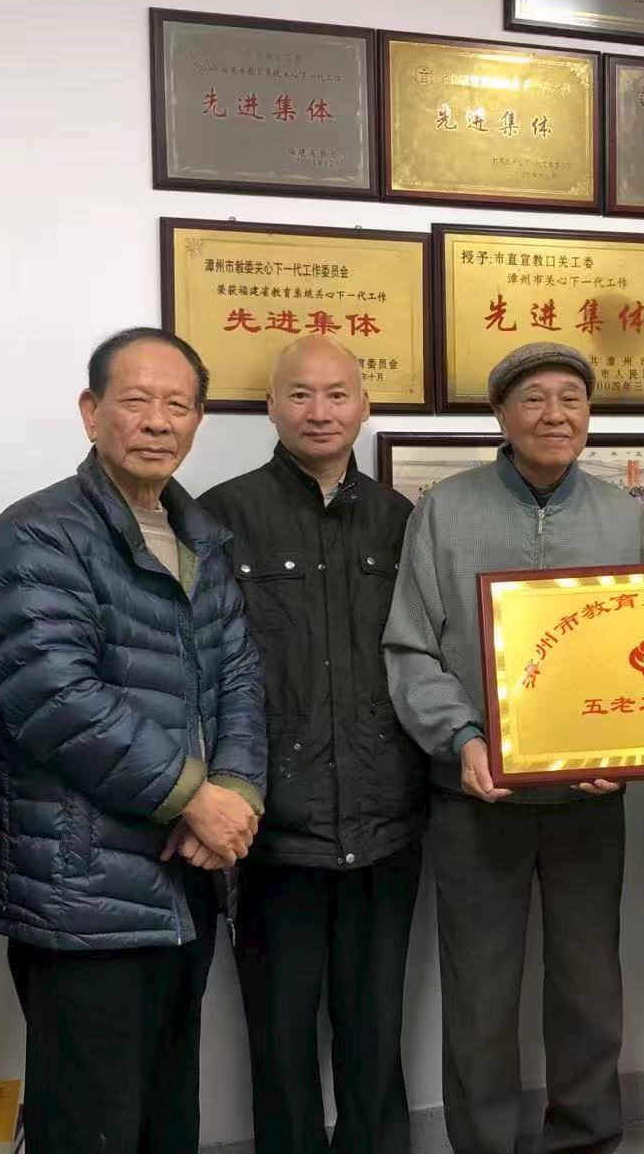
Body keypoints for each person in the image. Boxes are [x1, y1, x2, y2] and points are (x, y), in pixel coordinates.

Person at [0, 327, 265, 1154]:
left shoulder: (199, 534)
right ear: (91, 411)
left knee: (168, 1112)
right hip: (81, 884)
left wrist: (237, 792)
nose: (157, 420)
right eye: (136, 400)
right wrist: (194, 796)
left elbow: (240, 675)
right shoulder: (38, 534)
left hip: (182, 879)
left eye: (178, 404)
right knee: (89, 1122)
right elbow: (55, 697)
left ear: (198, 418)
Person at [383, 343, 644, 1154]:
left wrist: (629, 747)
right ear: (501, 415)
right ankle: (486, 1144)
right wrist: (462, 737)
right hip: (475, 796)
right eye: (534, 398)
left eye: (571, 398)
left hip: (588, 800)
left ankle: (586, 1137)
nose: (555, 415)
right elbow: (410, 648)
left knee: (588, 986)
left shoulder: (625, 517)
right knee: (479, 993)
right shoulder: (446, 511)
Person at [199, 337, 423, 1154]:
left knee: (376, 1032)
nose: (319, 411)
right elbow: (201, 668)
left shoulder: (402, 520)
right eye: (300, 394)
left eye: (336, 394)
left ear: (365, 405)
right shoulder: (220, 515)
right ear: (271, 406)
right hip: (272, 832)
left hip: (386, 821)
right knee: (280, 1039)